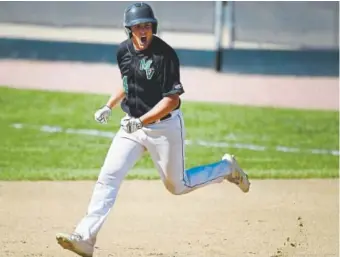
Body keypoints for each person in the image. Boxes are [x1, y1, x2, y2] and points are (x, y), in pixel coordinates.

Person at [56, 2, 251, 257]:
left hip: (164, 127)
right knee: (108, 177)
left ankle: (227, 169)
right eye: (138, 26)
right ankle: (85, 237)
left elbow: (172, 99)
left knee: (177, 186)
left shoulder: (165, 55)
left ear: (153, 27)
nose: (143, 29)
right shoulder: (123, 51)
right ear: (130, 30)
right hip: (132, 127)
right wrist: (108, 105)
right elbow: (128, 84)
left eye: (147, 25)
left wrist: (142, 121)